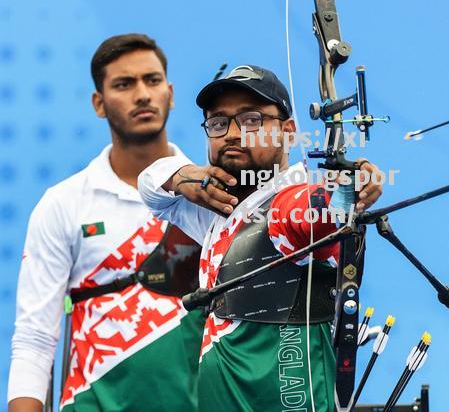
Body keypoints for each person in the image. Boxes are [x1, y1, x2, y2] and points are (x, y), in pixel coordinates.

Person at [138, 64, 383, 411]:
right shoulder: (216, 209)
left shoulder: (287, 204)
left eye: (251, 120)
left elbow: (322, 210)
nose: (232, 134)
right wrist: (180, 175)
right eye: (218, 122)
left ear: (288, 131)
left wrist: (349, 187)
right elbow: (149, 185)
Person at [8, 34, 204, 412]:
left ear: (171, 93)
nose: (143, 94)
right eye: (124, 84)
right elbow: (34, 339)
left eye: (152, 80)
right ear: (99, 103)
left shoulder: (208, 197)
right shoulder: (63, 204)